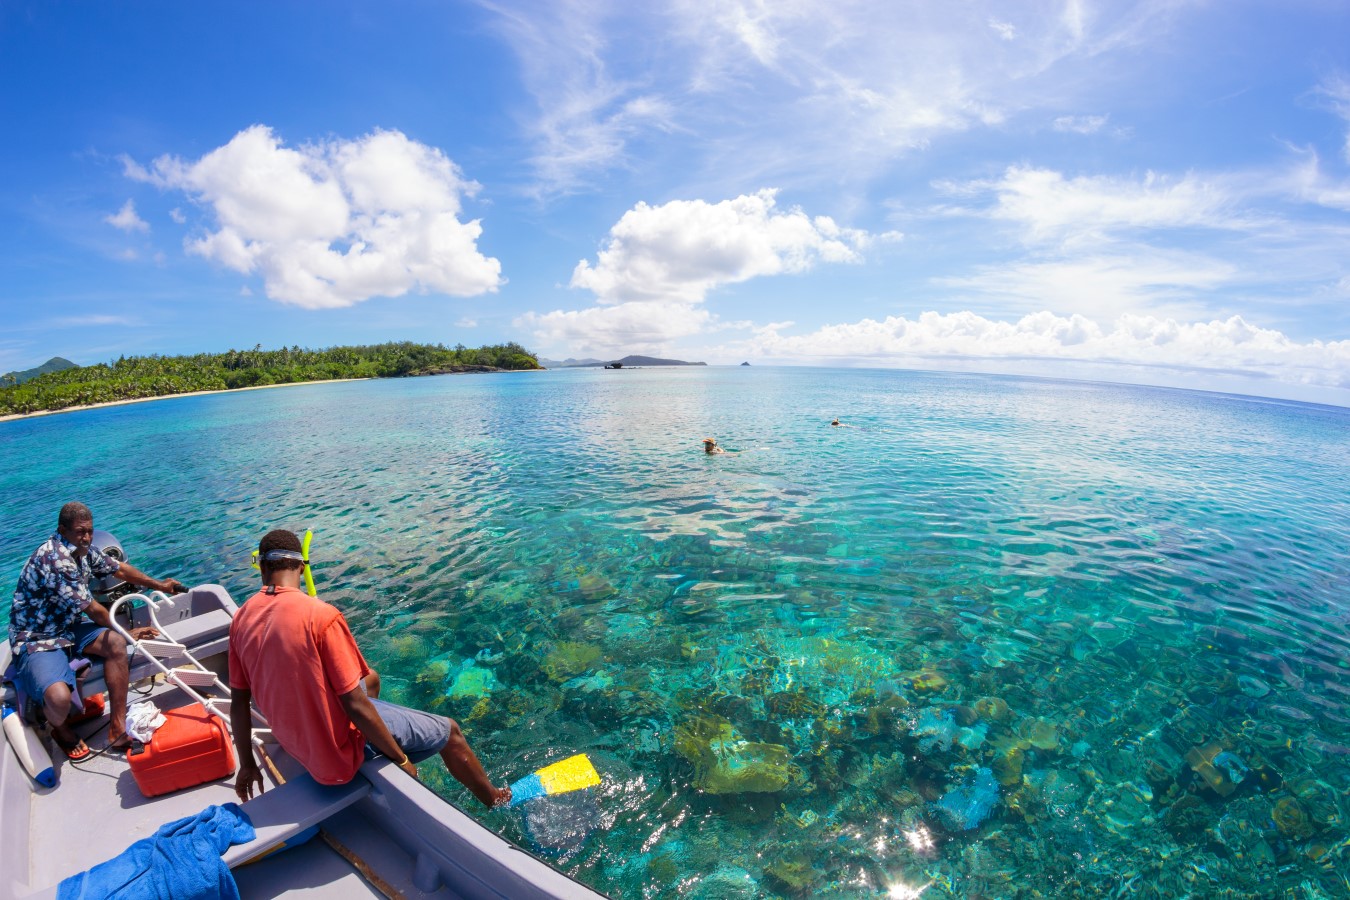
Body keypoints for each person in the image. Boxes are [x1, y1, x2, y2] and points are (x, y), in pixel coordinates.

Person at [229, 529, 510, 808]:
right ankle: (494, 799)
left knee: (370, 678)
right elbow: (354, 705)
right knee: (450, 732)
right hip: (336, 757)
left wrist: (248, 764)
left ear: (262, 567)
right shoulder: (322, 616)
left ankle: (378, 739)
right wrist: (401, 760)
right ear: (302, 568)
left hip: (296, 744)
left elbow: (239, 703)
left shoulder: (242, 617)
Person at [8, 502, 186, 759]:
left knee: (114, 644)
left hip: (68, 625)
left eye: (90, 531)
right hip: (38, 636)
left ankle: (116, 730)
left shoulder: (84, 551)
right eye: (81, 532)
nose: (87, 537)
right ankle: (58, 727)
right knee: (58, 699)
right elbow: (94, 611)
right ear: (62, 530)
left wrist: (159, 584)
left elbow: (119, 568)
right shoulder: (56, 559)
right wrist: (129, 635)